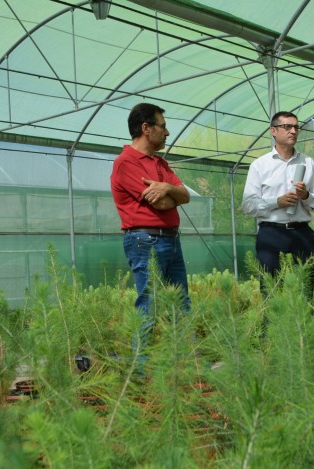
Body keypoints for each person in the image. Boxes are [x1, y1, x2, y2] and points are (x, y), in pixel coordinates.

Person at [110, 102, 191, 371]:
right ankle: (140, 370)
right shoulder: (126, 163)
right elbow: (163, 205)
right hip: (146, 240)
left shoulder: (160, 163)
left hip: (170, 238)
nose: (167, 133)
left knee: (180, 301)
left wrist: (167, 186)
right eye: (163, 126)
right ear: (146, 128)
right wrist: (172, 195)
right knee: (149, 303)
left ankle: (184, 363)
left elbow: (184, 196)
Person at [242, 111, 314, 300]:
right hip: (271, 234)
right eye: (287, 127)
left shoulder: (308, 163)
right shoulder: (259, 165)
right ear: (273, 131)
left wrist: (305, 195)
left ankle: (302, 328)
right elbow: (248, 205)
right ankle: (270, 329)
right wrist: (276, 202)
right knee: (271, 293)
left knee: (304, 293)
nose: (293, 131)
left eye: (296, 127)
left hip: (302, 234)